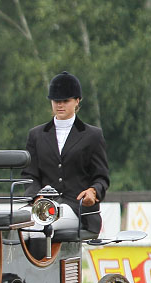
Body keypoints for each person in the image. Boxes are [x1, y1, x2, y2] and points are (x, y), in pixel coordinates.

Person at [21, 71, 109, 235]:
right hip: (44, 205)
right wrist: (35, 196)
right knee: (15, 226)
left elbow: (101, 176)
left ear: (77, 101)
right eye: (56, 101)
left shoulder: (92, 135)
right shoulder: (36, 135)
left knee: (38, 225)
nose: (60, 105)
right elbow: (29, 174)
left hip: (76, 208)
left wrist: (93, 191)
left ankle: (43, 259)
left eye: (65, 101)